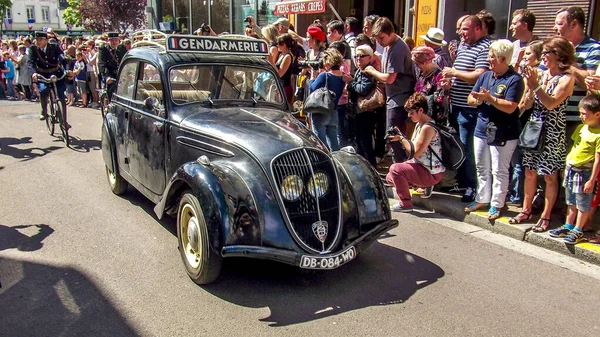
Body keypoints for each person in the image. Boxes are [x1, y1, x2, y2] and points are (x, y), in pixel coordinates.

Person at [512, 36, 576, 231]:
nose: (544, 57)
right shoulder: (540, 74)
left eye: (548, 52)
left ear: (560, 55)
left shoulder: (566, 78)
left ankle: (546, 216)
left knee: (549, 175)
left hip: (552, 131)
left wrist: (536, 86)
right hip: (534, 127)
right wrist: (529, 91)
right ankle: (526, 208)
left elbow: (550, 103)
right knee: (529, 172)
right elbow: (528, 104)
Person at [465, 39, 524, 220]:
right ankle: (482, 198)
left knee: (499, 169)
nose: (489, 60)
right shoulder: (485, 76)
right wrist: (477, 100)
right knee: (482, 166)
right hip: (482, 128)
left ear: (504, 59)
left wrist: (490, 99)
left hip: (504, 131)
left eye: (492, 57)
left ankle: (497, 204)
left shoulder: (514, 80)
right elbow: (471, 98)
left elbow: (511, 106)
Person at [442, 15, 491, 202]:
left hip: (470, 108)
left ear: (478, 29)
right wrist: (450, 82)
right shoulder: (463, 46)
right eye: (461, 29)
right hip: (455, 104)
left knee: (467, 148)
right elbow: (462, 72)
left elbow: (479, 75)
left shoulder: (485, 47)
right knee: (457, 146)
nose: (462, 34)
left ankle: (471, 185)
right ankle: (460, 182)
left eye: (465, 29)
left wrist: (454, 72)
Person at [547, 95, 600, 244]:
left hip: (585, 172)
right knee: (571, 200)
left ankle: (578, 229)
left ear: (597, 114)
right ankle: (569, 224)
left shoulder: (598, 134)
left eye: (585, 114)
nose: (581, 116)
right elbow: (574, 147)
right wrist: (567, 165)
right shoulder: (580, 128)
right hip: (572, 169)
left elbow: (598, 160)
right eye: (580, 113)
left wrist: (591, 180)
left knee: (583, 202)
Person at [365, 17, 416, 163]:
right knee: (394, 138)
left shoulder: (398, 48)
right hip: (394, 96)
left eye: (381, 38)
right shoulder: (389, 46)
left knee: (395, 137)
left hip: (399, 98)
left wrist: (372, 71)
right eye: (377, 39)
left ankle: (399, 171)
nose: (380, 42)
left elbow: (390, 78)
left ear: (390, 33)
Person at [386, 92, 446, 212]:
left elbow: (415, 152)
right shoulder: (419, 124)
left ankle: (406, 204)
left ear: (421, 110)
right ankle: (423, 185)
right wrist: (400, 137)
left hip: (431, 172)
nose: (409, 115)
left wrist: (402, 139)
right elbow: (414, 148)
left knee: (395, 169)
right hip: (421, 166)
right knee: (389, 177)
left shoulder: (428, 128)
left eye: (411, 112)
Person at [554, 6, 600, 134]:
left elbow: (589, 84)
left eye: (559, 24)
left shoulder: (594, 48)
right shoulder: (554, 46)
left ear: (573, 24)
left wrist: (569, 59)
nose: (554, 28)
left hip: (573, 119)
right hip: (550, 115)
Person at [509, 41, 543, 206]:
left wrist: (514, 115)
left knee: (519, 160)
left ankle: (517, 194)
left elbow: (525, 102)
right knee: (516, 160)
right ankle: (515, 192)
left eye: (528, 54)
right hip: (522, 119)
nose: (524, 57)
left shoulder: (536, 74)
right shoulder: (525, 71)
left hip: (527, 121)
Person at [309, 48, 345, 151]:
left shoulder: (324, 75)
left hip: (321, 111)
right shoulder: (342, 76)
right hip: (333, 112)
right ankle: (337, 161)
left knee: (320, 144)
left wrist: (312, 76)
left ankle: (323, 162)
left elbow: (312, 88)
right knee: (334, 143)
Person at [27, 31, 67, 122]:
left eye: (41, 39)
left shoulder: (54, 47)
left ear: (46, 40)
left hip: (56, 73)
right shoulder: (33, 49)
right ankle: (44, 110)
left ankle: (64, 121)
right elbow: (30, 63)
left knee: (61, 95)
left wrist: (67, 67)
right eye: (37, 40)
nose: (38, 42)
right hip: (42, 74)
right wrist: (33, 73)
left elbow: (61, 57)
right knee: (43, 90)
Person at [347, 45, 377, 165]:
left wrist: (350, 82)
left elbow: (362, 89)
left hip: (366, 112)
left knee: (365, 142)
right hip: (359, 110)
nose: (358, 58)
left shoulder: (368, 70)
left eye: (362, 56)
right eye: (356, 56)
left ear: (370, 57)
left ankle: (371, 167)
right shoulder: (360, 70)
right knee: (359, 140)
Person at [97, 32, 123, 101]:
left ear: (118, 40)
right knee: (111, 87)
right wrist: (107, 76)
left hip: (120, 73)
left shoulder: (121, 48)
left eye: (116, 40)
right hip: (109, 73)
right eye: (112, 40)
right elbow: (102, 63)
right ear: (108, 40)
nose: (114, 42)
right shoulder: (103, 49)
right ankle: (109, 104)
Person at [274, 33, 295, 104]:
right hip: (280, 88)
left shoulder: (287, 56)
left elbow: (280, 74)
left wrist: (271, 61)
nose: (277, 45)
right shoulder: (281, 55)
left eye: (279, 43)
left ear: (285, 44)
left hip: (284, 89)